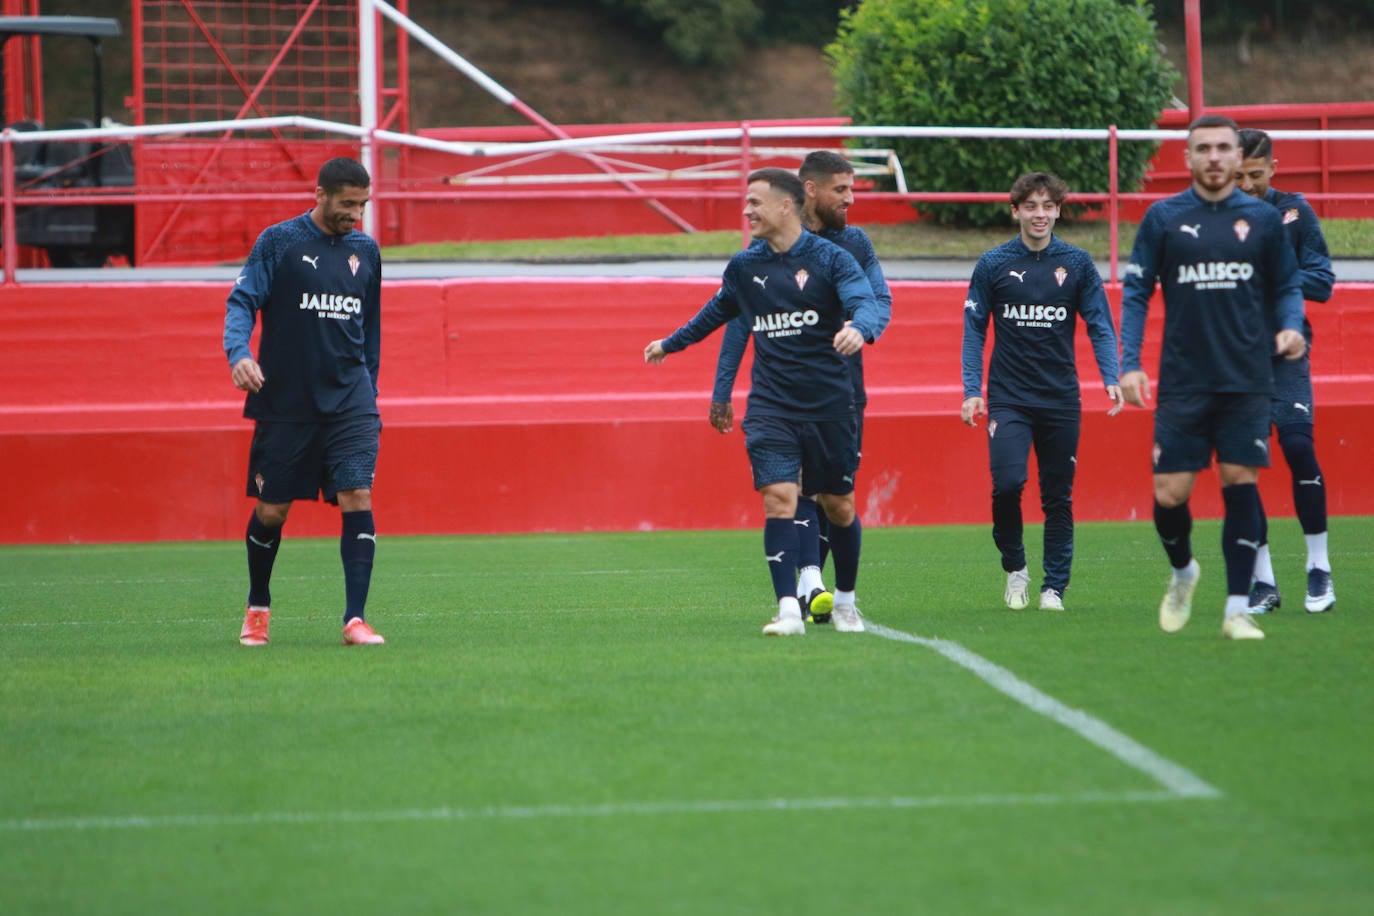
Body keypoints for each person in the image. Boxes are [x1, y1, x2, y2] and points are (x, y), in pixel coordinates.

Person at [644, 167, 882, 636]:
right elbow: (714, 313)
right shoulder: (744, 266)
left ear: (786, 206)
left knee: (839, 506)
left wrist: (860, 327)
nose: (747, 209)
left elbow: (867, 300)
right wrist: (670, 344)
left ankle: (847, 601)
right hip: (771, 406)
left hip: (830, 406)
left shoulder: (832, 258)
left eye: (755, 202)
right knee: (780, 499)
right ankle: (789, 610)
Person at [1119, 114, 1307, 641]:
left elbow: (1288, 286)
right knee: (1170, 493)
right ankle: (1183, 572)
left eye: (1224, 147)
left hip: (1247, 376)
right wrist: (1128, 363)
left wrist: (1291, 328)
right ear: (1188, 157)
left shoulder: (1264, 221)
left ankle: (1236, 610)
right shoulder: (1163, 218)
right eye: (1204, 148)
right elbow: (1136, 294)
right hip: (1183, 379)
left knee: (1239, 481)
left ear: (1236, 155)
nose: (1216, 157)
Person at [708, 150, 892, 625]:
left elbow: (880, 301)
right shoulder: (766, 250)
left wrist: (864, 328)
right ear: (808, 191)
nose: (850, 200)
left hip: (842, 391)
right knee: (793, 492)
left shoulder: (854, 245)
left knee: (834, 497)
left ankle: (818, 588)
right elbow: (736, 321)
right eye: (841, 190)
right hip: (784, 395)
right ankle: (809, 586)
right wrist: (722, 389)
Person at [223, 157, 386, 647]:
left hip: (351, 399)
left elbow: (370, 332)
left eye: (362, 205)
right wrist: (239, 353)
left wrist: (369, 393)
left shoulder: (367, 251)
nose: (354, 214)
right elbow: (241, 302)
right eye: (346, 204)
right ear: (319, 195)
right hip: (287, 402)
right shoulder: (279, 241)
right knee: (273, 510)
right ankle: (258, 607)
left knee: (358, 495)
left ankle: (355, 619)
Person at [960, 172, 1123, 612]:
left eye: (1048, 206)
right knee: (1008, 485)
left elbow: (1100, 324)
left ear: (1058, 211)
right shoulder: (993, 264)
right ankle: (1015, 568)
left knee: (1058, 496)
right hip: (1009, 399)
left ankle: (1054, 588)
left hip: (1060, 400)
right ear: (1015, 210)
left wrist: (1112, 375)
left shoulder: (1077, 263)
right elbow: (974, 330)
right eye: (1031, 206)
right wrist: (972, 389)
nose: (1040, 214)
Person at [1236, 127, 1337, 614]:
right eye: (1239, 175)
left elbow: (1322, 280)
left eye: (1256, 175)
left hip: (1286, 354)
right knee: (1244, 469)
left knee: (1298, 446)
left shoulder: (1295, 213)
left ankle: (1319, 569)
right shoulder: (1210, 219)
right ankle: (1263, 582)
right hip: (1232, 362)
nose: (1248, 184)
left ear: (1272, 169)